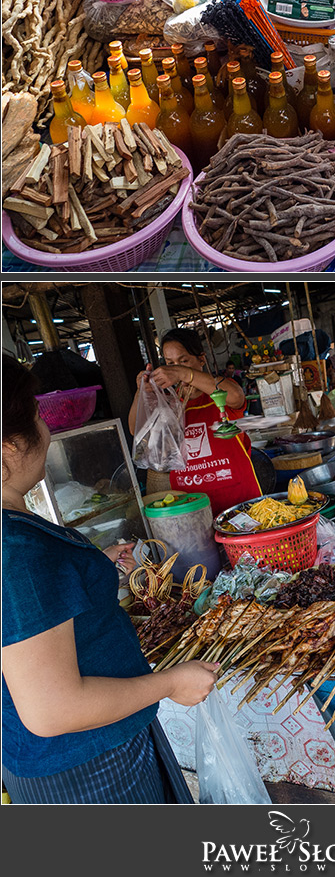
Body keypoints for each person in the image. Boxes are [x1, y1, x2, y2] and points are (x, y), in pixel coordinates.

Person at [2, 354, 218, 804]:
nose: (47, 430)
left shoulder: (18, 540)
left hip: (83, 751)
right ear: (8, 451)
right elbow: (52, 708)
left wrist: (88, 566)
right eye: (39, 418)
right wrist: (171, 683)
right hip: (87, 769)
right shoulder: (16, 552)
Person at [127, 329, 258, 517]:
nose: (174, 368)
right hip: (192, 506)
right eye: (170, 363)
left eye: (184, 360)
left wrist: (182, 373)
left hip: (239, 501)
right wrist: (142, 392)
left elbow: (236, 396)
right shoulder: (169, 404)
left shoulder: (219, 389)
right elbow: (135, 430)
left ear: (201, 359)